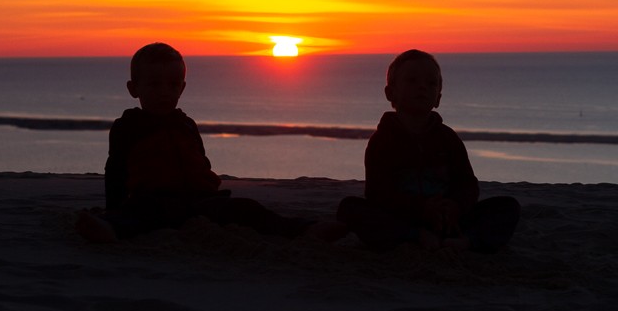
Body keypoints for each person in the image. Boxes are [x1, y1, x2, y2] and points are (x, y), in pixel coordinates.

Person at [76, 42, 345, 243]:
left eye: (172, 85)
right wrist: (114, 207)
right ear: (134, 89)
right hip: (154, 199)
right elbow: (116, 170)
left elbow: (201, 162)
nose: (164, 93)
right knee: (141, 216)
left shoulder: (186, 124)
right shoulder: (128, 126)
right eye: (154, 85)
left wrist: (208, 190)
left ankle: (305, 228)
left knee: (246, 209)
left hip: (199, 200)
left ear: (182, 88)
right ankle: (108, 228)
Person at [337, 49, 519, 252]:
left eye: (431, 83)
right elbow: (377, 193)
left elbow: (467, 183)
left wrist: (455, 206)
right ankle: (414, 238)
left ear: (438, 98)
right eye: (412, 80)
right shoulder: (382, 141)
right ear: (391, 93)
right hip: (402, 219)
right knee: (350, 208)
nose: (422, 87)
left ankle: (464, 241)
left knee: (507, 207)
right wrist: (421, 208)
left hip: (448, 219)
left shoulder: (448, 138)